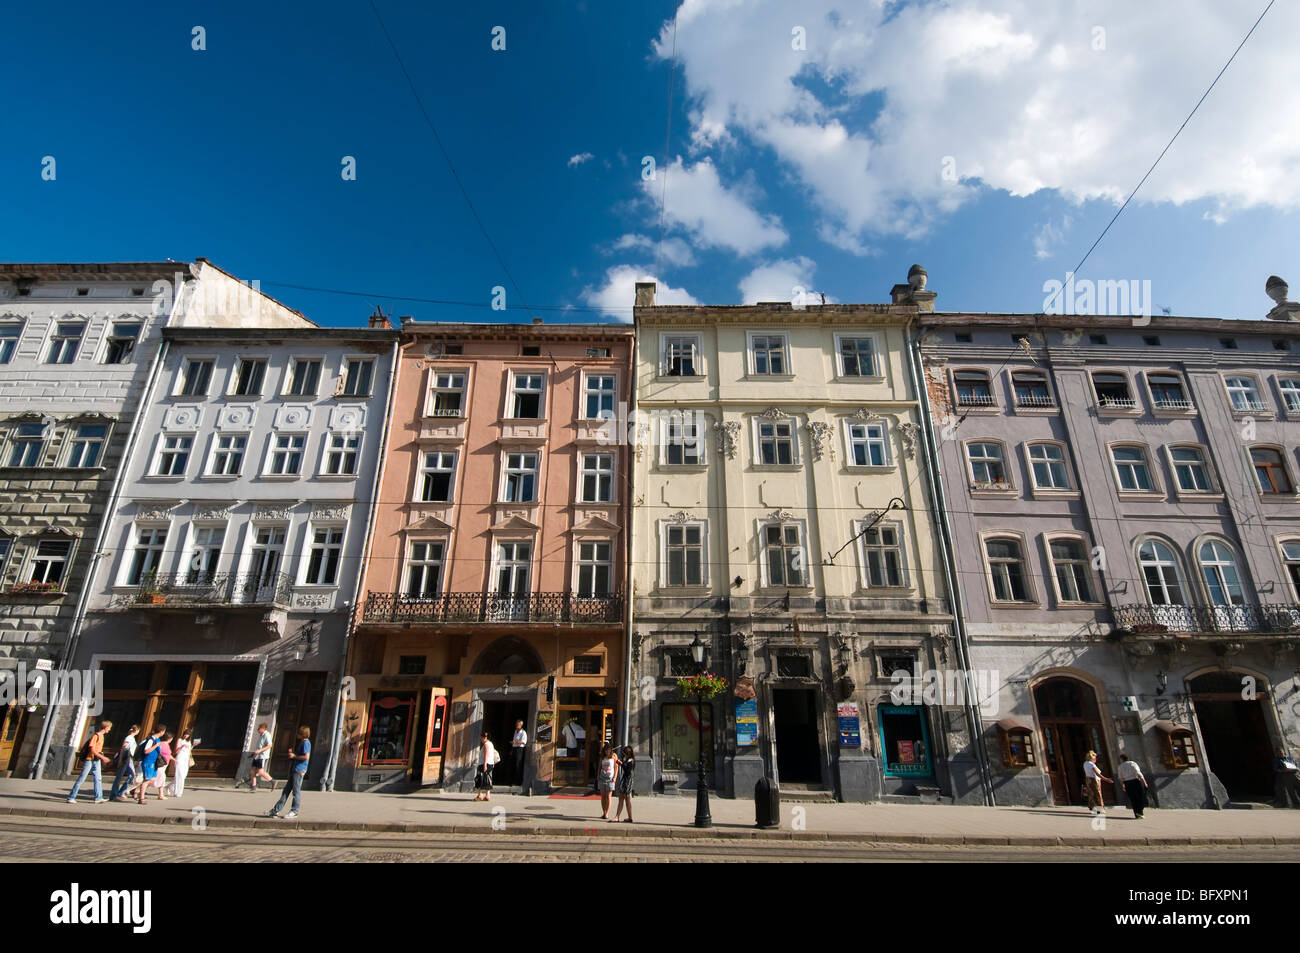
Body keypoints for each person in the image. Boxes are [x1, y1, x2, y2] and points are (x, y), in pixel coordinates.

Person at [267, 726, 311, 819]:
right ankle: (275, 810)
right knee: (286, 791)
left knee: (296, 792)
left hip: (299, 769)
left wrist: (294, 756)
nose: (297, 734)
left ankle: (294, 811)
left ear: (302, 734)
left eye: (298, 733)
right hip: (295, 769)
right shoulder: (303, 742)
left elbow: (306, 757)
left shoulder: (306, 743)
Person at [66, 720, 114, 804]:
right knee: (82, 778)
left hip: (96, 760)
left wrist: (100, 755)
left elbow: (97, 750)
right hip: (90, 759)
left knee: (98, 778)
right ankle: (71, 797)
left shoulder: (102, 736)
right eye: (109, 728)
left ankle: (98, 798)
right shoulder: (96, 736)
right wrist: (102, 757)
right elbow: (92, 750)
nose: (109, 730)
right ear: (106, 727)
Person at [109, 723, 140, 802]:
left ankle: (118, 793)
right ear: (136, 730)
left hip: (128, 758)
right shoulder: (129, 738)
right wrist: (120, 760)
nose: (138, 732)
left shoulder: (131, 738)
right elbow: (123, 748)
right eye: (138, 730)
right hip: (126, 758)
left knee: (128, 775)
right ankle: (116, 794)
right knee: (125, 776)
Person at [1117, 754, 1148, 819]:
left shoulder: (1120, 767)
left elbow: (1120, 778)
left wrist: (1123, 785)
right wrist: (1144, 782)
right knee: (1139, 796)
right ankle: (1140, 812)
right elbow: (1138, 773)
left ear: (1122, 759)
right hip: (1135, 781)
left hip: (1127, 783)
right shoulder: (1133, 763)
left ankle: (1136, 813)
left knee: (1132, 798)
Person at [473, 730, 499, 802]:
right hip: (490, 764)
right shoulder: (491, 744)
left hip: (484, 764)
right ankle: (487, 795)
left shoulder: (486, 745)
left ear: (485, 738)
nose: (481, 739)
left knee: (479, 779)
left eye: (481, 737)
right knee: (488, 779)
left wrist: (484, 764)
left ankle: (480, 795)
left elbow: (486, 754)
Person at [1083, 749, 1110, 814]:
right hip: (1094, 780)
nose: (1095, 759)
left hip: (1088, 780)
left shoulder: (1085, 763)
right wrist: (1106, 779)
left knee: (1091, 794)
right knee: (1097, 794)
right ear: (1092, 758)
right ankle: (1100, 809)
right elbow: (1097, 774)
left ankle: (1093, 808)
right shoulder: (1091, 764)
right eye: (1094, 757)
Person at [612, 745, 635, 823]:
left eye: (624, 753)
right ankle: (627, 817)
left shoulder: (631, 761)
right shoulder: (628, 760)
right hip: (625, 780)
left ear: (627, 753)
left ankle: (619, 816)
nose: (623, 755)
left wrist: (621, 763)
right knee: (624, 798)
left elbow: (627, 771)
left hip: (627, 781)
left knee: (624, 798)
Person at [248, 723, 274, 792]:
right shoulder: (261, 735)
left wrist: (260, 750)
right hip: (257, 756)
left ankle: (272, 781)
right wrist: (253, 754)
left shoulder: (267, 735)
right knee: (252, 771)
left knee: (260, 772)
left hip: (262, 756)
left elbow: (270, 745)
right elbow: (259, 746)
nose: (258, 730)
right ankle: (253, 786)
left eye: (259, 728)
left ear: (263, 728)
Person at [597, 744, 619, 819]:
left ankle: (607, 813)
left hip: (610, 778)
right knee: (603, 796)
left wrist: (615, 777)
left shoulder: (614, 756)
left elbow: (616, 767)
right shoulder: (602, 757)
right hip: (602, 778)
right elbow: (599, 767)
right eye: (606, 750)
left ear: (611, 750)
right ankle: (604, 812)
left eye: (609, 750)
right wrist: (598, 775)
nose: (607, 751)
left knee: (608, 796)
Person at [171, 729, 194, 798]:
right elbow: (175, 751)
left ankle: (170, 786)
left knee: (183, 775)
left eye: (187, 734)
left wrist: (193, 746)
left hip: (186, 759)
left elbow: (189, 750)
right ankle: (177, 792)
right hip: (180, 758)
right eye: (185, 734)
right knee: (179, 775)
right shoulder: (180, 740)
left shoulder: (189, 741)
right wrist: (182, 746)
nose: (185, 735)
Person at [511, 719, 528, 788]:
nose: (517, 725)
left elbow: (524, 742)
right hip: (514, 748)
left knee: (518, 765)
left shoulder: (523, 732)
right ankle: (513, 780)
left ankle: (518, 781)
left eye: (518, 724)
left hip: (520, 749)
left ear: (521, 725)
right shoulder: (515, 731)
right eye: (516, 724)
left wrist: (515, 742)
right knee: (513, 764)